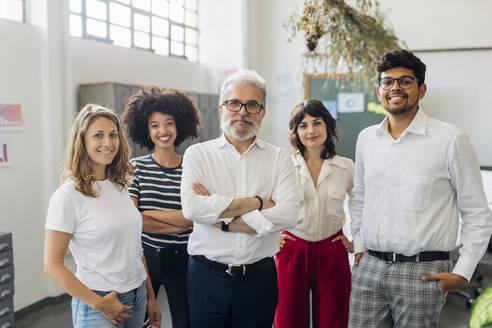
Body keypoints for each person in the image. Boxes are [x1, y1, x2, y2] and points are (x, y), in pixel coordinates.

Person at [348, 49, 492, 327]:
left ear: (421, 89)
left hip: (423, 270)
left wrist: (463, 271)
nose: (395, 88)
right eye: (388, 82)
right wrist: (359, 247)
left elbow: (476, 212)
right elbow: (360, 198)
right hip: (370, 267)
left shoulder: (451, 140)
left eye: (405, 81)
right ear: (379, 90)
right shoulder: (367, 139)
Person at [180, 69, 301, 328]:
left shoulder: (279, 159)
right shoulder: (198, 154)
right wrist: (258, 202)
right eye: (234, 103)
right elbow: (192, 208)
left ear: (263, 112)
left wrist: (222, 218)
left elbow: (289, 214)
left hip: (259, 279)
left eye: (252, 105)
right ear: (221, 108)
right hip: (206, 276)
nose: (242, 111)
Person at [44, 104, 161, 328]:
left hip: (136, 296)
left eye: (113, 135)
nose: (108, 143)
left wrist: (150, 297)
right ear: (83, 141)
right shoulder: (68, 195)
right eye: (98, 135)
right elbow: (52, 265)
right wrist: (98, 304)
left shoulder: (119, 186)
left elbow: (135, 249)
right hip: (98, 302)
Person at [122, 86, 201, 328]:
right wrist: (178, 223)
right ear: (146, 130)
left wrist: (147, 215)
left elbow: (194, 218)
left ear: (179, 126)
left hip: (184, 258)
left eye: (168, 123)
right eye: (154, 125)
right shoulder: (135, 168)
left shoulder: (192, 167)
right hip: (145, 258)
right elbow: (132, 219)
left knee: (185, 321)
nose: (163, 131)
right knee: (143, 322)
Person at [275, 99, 354, 328]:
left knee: (334, 319)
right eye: (303, 125)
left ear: (328, 126)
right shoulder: (284, 166)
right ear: (295, 132)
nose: (311, 130)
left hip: (333, 249)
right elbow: (267, 204)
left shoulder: (346, 167)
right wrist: (271, 236)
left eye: (317, 123)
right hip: (292, 249)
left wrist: (355, 241)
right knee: (288, 320)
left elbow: (361, 205)